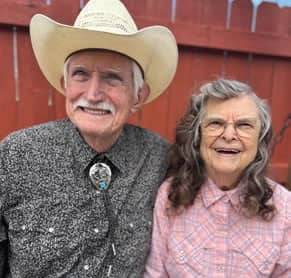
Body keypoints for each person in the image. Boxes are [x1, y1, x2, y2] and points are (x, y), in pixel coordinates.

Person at [0, 0, 178, 277]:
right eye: (81, 74)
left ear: (138, 96)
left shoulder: (160, 157)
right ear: (65, 84)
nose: (93, 94)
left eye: (112, 78)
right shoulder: (16, 155)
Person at [144, 79, 291, 277]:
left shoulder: (284, 206)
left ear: (260, 139)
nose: (229, 135)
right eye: (216, 123)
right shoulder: (170, 196)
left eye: (244, 125)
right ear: (198, 135)